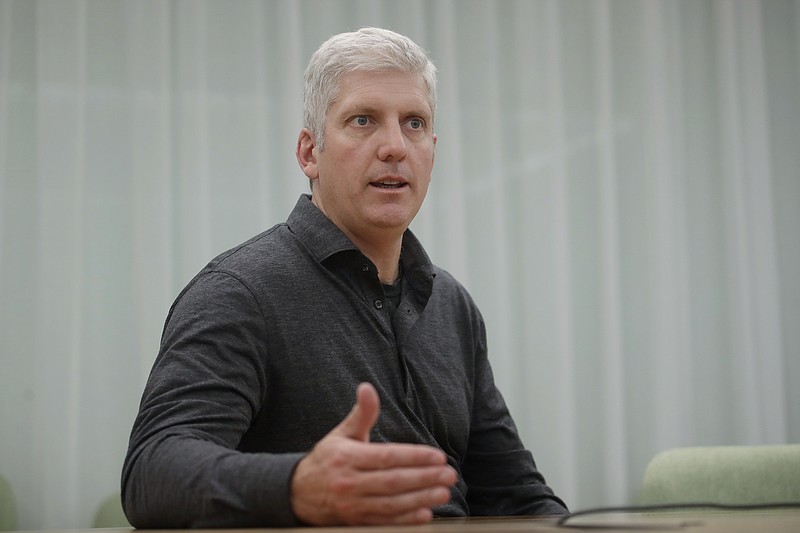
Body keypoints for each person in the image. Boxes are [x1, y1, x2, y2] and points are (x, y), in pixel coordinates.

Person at [121, 27, 567, 528]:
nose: (395, 146)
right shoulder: (239, 293)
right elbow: (151, 474)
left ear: (433, 150)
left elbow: (513, 493)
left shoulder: (452, 305)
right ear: (310, 152)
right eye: (363, 120)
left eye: (414, 123)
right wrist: (296, 486)